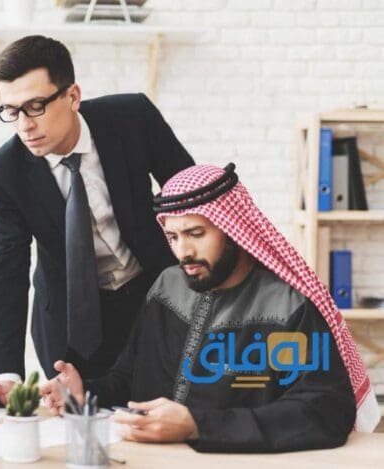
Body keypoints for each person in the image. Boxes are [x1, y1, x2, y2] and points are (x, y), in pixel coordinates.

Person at [41, 163, 380, 453]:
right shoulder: (166, 286)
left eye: (196, 233)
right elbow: (129, 377)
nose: (183, 252)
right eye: (173, 237)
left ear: (234, 230)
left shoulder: (288, 305)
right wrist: (86, 391)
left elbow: (323, 411)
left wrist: (196, 425)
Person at [0, 35, 194, 414]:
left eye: (35, 106)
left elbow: (193, 195)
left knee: (163, 410)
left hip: (154, 295)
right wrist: (4, 374)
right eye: (11, 111)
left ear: (72, 96)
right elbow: (8, 273)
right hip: (74, 324)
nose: (24, 125)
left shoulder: (132, 118)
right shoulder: (2, 174)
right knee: (80, 422)